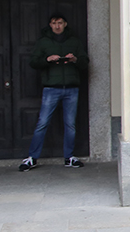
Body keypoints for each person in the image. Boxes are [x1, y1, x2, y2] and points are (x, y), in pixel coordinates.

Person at [20, 12, 88, 171]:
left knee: (70, 124)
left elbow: (85, 62)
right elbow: (33, 62)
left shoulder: (74, 42)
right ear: (50, 25)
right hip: (51, 88)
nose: (57, 26)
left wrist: (75, 60)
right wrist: (47, 60)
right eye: (54, 23)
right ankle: (32, 158)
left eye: (60, 23)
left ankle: (69, 157)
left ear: (65, 24)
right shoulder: (43, 42)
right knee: (42, 123)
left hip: (71, 88)